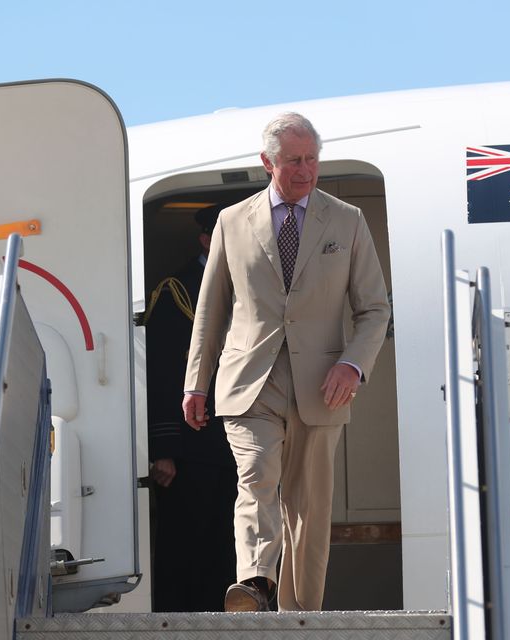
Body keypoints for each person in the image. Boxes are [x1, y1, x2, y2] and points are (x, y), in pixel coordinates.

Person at [182, 113, 391, 612]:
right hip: (250, 381)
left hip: (323, 385)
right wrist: (196, 383)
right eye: (294, 160)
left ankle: (300, 618)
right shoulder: (232, 222)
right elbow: (211, 311)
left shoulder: (347, 219)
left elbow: (375, 309)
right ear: (267, 162)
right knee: (256, 478)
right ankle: (255, 583)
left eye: (312, 159)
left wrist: (353, 365)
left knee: (309, 511)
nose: (305, 170)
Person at [146, 205, 238, 612]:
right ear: (205, 240)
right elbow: (161, 370)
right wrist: (163, 447)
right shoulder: (177, 290)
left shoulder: (253, 284)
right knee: (186, 544)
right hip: (189, 445)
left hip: (238, 439)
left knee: (231, 542)